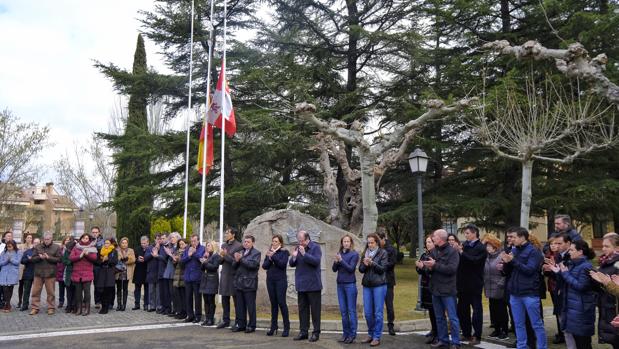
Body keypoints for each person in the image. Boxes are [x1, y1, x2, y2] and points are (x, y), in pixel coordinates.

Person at [501, 227, 546, 349]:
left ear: (522, 237)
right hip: (515, 293)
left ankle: (542, 346)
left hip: (529, 293)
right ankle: (522, 346)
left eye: (514, 237)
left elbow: (530, 270)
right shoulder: (514, 250)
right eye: (510, 237)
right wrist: (506, 263)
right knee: (518, 324)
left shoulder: (534, 251)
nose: (511, 239)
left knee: (536, 324)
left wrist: (513, 261)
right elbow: (508, 271)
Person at [549, 240, 596, 349]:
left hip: (581, 310)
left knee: (583, 343)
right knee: (577, 341)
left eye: (571, 250)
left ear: (580, 252)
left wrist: (565, 273)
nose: (569, 252)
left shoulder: (586, 266)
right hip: (572, 309)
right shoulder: (572, 264)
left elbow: (581, 286)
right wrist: (559, 272)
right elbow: (568, 280)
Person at [424, 229, 461, 349]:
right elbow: (430, 269)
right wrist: (427, 267)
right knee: (439, 317)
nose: (432, 238)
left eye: (434, 236)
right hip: (435, 289)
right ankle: (443, 340)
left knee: (453, 317)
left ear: (440, 238)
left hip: (448, 290)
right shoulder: (434, 251)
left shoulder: (453, 252)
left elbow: (451, 270)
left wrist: (435, 265)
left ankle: (456, 342)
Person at [290, 230, 323, 342]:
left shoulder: (315, 247)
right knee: (302, 310)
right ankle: (303, 331)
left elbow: (316, 262)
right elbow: (292, 263)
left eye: (302, 241)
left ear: (307, 238)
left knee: (315, 310)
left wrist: (304, 254)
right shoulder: (298, 247)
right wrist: (294, 257)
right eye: (299, 241)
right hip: (301, 284)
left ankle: (316, 332)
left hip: (313, 284)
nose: (300, 243)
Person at [456, 224, 486, 345]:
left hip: (475, 284)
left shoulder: (481, 248)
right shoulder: (465, 245)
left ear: (474, 233)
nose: (466, 235)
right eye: (465, 233)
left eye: (468, 233)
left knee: (477, 310)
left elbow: (475, 261)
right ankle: (466, 333)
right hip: (463, 283)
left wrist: (462, 253)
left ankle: (477, 335)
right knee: (462, 310)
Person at [589, 233, 619, 349]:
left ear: (617, 247)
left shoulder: (617, 264)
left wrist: (605, 282)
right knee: (613, 340)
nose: (603, 249)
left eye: (607, 246)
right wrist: (595, 280)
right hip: (605, 305)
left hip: (614, 307)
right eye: (603, 246)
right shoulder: (605, 261)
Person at [359, 233, 388, 347]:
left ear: (376, 242)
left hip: (379, 285)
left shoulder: (383, 253)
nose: (370, 244)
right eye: (368, 242)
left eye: (372, 242)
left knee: (378, 313)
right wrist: (365, 264)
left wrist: (372, 263)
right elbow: (361, 270)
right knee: (368, 313)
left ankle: (376, 337)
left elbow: (383, 269)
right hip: (367, 285)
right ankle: (370, 334)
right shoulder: (365, 253)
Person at [543, 232, 572, 345]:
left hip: (562, 288)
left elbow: (565, 274)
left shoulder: (564, 256)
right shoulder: (552, 256)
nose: (555, 246)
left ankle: (563, 333)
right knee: (559, 312)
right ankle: (562, 333)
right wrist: (546, 269)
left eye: (558, 243)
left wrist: (555, 270)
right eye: (552, 244)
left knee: (564, 312)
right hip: (554, 287)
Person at [263, 234, 291, 337]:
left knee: (281, 302)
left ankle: (286, 327)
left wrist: (272, 256)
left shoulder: (284, 252)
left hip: (280, 281)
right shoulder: (269, 252)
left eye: (276, 241)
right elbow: (264, 266)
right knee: (273, 303)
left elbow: (282, 264)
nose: (273, 243)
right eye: (273, 241)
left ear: (280, 243)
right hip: (270, 280)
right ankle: (273, 326)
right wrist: (269, 258)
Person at [332, 234, 359, 344]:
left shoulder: (354, 254)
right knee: (343, 311)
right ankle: (345, 333)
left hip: (350, 285)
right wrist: (336, 261)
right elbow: (334, 269)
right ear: (342, 243)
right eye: (344, 241)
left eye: (348, 241)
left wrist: (341, 261)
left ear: (351, 243)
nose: (346, 243)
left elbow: (351, 269)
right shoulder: (339, 254)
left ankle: (352, 335)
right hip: (340, 285)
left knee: (351, 311)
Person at [232, 235, 261, 333]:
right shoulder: (241, 252)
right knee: (240, 306)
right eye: (245, 242)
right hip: (239, 283)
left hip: (250, 283)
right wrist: (236, 261)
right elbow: (234, 266)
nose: (246, 243)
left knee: (250, 306)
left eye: (248, 242)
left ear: (252, 243)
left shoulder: (256, 253)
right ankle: (241, 324)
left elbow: (252, 265)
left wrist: (241, 259)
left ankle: (252, 325)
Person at [216, 228, 243, 329]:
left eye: (227, 233)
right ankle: (226, 320)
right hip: (224, 275)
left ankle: (237, 321)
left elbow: (235, 262)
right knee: (224, 299)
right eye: (225, 233)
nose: (225, 235)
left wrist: (225, 255)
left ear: (233, 234)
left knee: (236, 300)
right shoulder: (224, 245)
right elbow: (220, 261)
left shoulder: (239, 246)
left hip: (233, 275)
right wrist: (220, 256)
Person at [483, 234, 509, 340]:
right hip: (489, 287)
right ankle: (497, 329)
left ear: (494, 245)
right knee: (493, 309)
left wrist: (501, 283)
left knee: (501, 309)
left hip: (499, 287)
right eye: (486, 246)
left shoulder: (502, 255)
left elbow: (507, 272)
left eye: (488, 245)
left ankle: (504, 330)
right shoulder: (487, 257)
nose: (486, 248)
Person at [30, 232, 62, 315]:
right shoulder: (38, 247)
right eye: (45, 239)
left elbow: (59, 259)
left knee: (51, 292)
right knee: (35, 292)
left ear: (51, 239)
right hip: (38, 273)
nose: (47, 241)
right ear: (43, 239)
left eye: (48, 239)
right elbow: (32, 259)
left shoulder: (56, 247)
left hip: (50, 273)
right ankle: (34, 307)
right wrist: (39, 257)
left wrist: (49, 258)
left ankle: (51, 308)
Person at [416, 235, 438, 344]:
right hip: (425, 285)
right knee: (430, 309)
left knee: (435, 310)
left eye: (430, 242)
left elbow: (431, 271)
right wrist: (419, 267)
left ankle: (437, 333)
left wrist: (423, 267)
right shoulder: (425, 254)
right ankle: (433, 330)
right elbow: (420, 270)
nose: (427, 244)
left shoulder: (435, 254)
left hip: (433, 285)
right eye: (426, 242)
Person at [69, 233, 98, 316]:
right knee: (78, 293)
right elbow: (71, 258)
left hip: (87, 273)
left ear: (89, 239)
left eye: (87, 238)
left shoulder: (92, 247)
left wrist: (87, 254)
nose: (85, 239)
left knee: (87, 292)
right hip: (77, 273)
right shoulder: (76, 247)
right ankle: (79, 309)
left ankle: (87, 309)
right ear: (81, 239)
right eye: (84, 238)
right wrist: (80, 256)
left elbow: (94, 258)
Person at [377, 230, 397, 336]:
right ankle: (377, 326)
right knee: (377, 305)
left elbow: (393, 263)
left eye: (378, 240)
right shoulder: (377, 249)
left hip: (388, 280)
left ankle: (391, 325)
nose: (377, 242)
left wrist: (381, 265)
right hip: (377, 280)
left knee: (389, 304)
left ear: (383, 239)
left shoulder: (391, 249)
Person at [181, 234, 204, 323]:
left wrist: (194, 253)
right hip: (188, 277)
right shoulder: (187, 249)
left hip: (197, 277)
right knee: (188, 297)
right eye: (192, 241)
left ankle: (198, 316)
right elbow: (182, 261)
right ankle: (190, 315)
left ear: (198, 240)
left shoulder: (202, 248)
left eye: (195, 241)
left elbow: (201, 258)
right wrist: (189, 255)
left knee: (197, 298)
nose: (193, 243)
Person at [199, 241, 221, 326]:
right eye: (206, 246)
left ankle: (211, 319)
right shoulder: (207, 255)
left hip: (212, 279)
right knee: (206, 300)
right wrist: (204, 260)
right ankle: (207, 318)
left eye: (208, 246)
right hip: (205, 279)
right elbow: (202, 268)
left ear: (213, 246)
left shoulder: (216, 256)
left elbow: (214, 267)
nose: (207, 247)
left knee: (210, 300)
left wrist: (205, 262)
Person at [95, 238, 118, 314]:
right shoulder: (101, 251)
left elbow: (115, 261)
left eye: (108, 243)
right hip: (102, 271)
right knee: (101, 289)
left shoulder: (114, 251)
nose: (106, 245)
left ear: (111, 244)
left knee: (108, 290)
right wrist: (102, 260)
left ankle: (106, 307)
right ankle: (103, 306)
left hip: (110, 272)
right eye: (105, 243)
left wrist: (107, 259)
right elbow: (97, 261)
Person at [0, 240, 22, 312]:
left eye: (10, 246)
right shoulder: (3, 252)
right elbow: (1, 263)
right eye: (8, 246)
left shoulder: (18, 252)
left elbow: (17, 262)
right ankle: (8, 304)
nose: (9, 248)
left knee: (10, 289)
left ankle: (7, 305)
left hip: (12, 273)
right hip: (4, 273)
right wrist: (7, 260)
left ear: (13, 246)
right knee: (5, 288)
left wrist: (11, 259)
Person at [115, 237, 135, 311]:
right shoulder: (117, 250)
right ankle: (119, 305)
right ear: (120, 243)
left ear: (127, 243)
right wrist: (121, 259)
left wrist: (126, 260)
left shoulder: (131, 250)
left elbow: (133, 259)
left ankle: (124, 305)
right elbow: (116, 259)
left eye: (125, 243)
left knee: (125, 289)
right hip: (119, 273)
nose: (124, 244)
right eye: (123, 243)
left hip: (126, 272)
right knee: (119, 289)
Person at [19, 237, 39, 311]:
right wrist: (28, 259)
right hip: (28, 273)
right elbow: (22, 261)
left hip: (38, 274)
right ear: (33, 243)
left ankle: (35, 306)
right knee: (26, 290)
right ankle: (25, 305)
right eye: (35, 242)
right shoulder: (28, 251)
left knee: (36, 292)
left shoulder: (41, 252)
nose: (36, 244)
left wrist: (33, 259)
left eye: (38, 243)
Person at [155, 233, 171, 314]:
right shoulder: (160, 247)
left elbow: (165, 260)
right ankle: (163, 307)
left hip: (166, 273)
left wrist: (157, 256)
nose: (162, 240)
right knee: (161, 292)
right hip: (160, 272)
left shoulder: (169, 247)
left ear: (167, 238)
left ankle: (168, 308)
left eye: (164, 238)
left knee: (166, 292)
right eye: (161, 238)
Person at [17, 232, 34, 309]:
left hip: (29, 268)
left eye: (30, 238)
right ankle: (20, 301)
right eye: (28, 238)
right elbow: (19, 256)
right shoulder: (21, 246)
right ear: (25, 238)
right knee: (21, 285)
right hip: (21, 267)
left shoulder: (33, 247)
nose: (29, 239)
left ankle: (27, 301)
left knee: (28, 286)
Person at [171, 238, 187, 319]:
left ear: (186, 244)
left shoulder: (186, 252)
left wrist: (179, 258)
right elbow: (175, 266)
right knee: (178, 295)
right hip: (177, 275)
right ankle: (179, 311)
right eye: (180, 244)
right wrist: (174, 260)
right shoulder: (177, 252)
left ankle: (184, 312)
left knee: (184, 296)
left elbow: (184, 263)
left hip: (183, 276)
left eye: (182, 244)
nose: (181, 246)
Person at [132, 236, 149, 310]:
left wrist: (145, 259)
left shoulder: (150, 249)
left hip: (147, 271)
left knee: (147, 289)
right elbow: (133, 259)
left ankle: (146, 304)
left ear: (148, 242)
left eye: (144, 243)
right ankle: (137, 304)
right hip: (138, 270)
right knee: (137, 289)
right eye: (142, 243)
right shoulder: (137, 249)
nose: (143, 245)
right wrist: (137, 259)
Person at [144, 235, 159, 312]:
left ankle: (159, 306)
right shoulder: (149, 248)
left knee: (158, 291)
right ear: (154, 239)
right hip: (151, 272)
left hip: (159, 272)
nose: (158, 241)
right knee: (151, 290)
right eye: (157, 239)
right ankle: (152, 306)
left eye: (160, 239)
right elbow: (145, 258)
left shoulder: (163, 248)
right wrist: (152, 254)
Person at [55, 236, 71, 309]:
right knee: (61, 288)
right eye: (66, 240)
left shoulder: (71, 249)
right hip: (60, 270)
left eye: (69, 240)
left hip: (68, 271)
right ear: (64, 241)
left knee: (68, 288)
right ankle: (61, 301)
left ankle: (69, 302)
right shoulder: (60, 249)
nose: (67, 241)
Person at [61, 238, 76, 314]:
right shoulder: (66, 252)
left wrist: (71, 261)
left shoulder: (76, 251)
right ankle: (69, 306)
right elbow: (64, 261)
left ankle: (73, 306)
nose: (68, 249)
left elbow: (77, 260)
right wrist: (71, 261)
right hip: (68, 273)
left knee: (75, 291)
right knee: (69, 291)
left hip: (76, 272)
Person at [91, 227, 104, 309]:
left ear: (99, 232)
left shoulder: (103, 242)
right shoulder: (89, 240)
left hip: (98, 265)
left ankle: (98, 301)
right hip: (88, 265)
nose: (95, 233)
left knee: (98, 284)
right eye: (93, 232)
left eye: (96, 232)